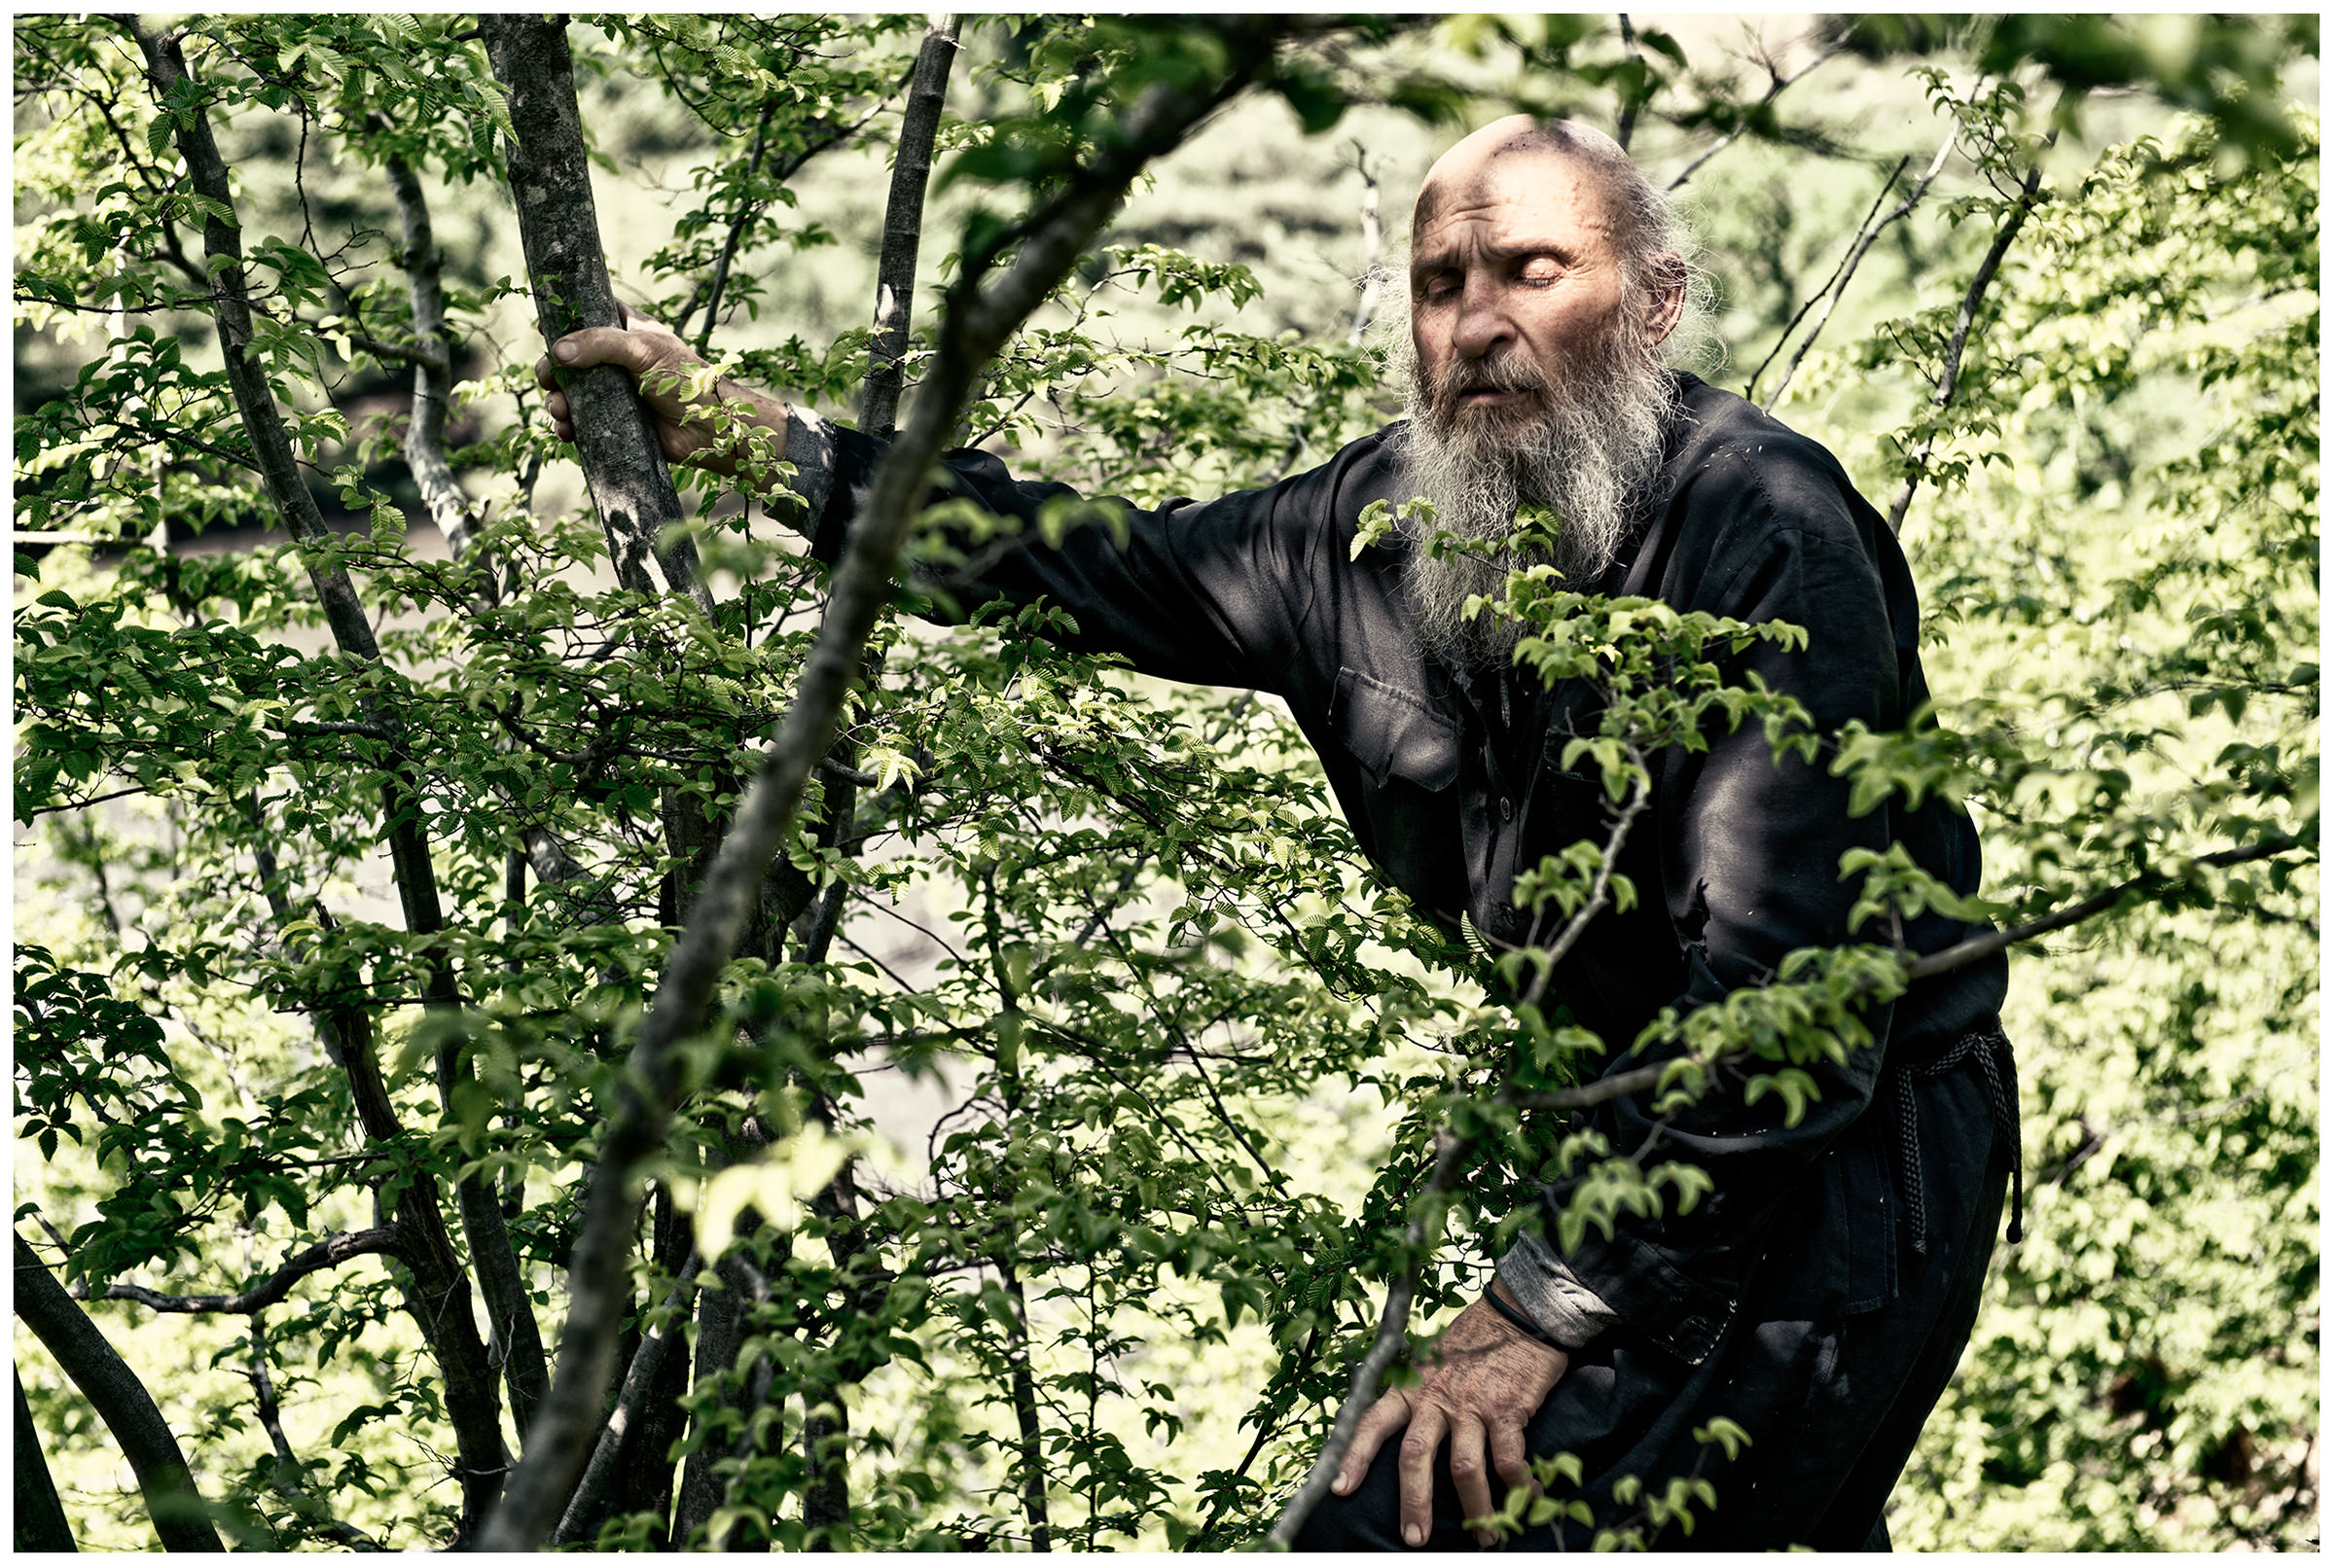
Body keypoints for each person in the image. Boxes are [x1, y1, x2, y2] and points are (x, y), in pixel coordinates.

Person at [538, 116, 2018, 1551]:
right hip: (1649, 1154)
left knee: (1399, 1529)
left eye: (1533, 272)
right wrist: (771, 447)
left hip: (1845, 1168)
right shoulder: (1368, 532)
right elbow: (1089, 567)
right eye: (1444, 284)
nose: (1479, 321)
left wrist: (1541, 1307)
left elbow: (1785, 1002)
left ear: (1657, 305)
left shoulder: (1766, 528)